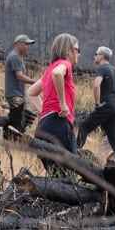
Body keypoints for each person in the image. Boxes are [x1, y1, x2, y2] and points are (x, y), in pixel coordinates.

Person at [31, 33, 79, 162]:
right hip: (60, 124)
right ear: (69, 51)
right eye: (77, 50)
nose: (78, 54)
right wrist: (62, 104)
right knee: (71, 171)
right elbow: (57, 74)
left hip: (43, 127)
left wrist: (45, 112)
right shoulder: (65, 64)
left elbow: (31, 92)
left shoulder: (49, 69)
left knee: (55, 177)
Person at [75, 45, 115, 156]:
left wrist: (97, 104)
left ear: (102, 56)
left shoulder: (101, 69)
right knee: (113, 137)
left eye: (96, 54)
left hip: (105, 105)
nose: (95, 56)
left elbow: (96, 85)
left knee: (84, 127)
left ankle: (74, 153)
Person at [3, 35, 36, 139]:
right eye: (26, 44)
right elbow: (19, 76)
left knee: (18, 120)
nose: (28, 47)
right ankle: (10, 141)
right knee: (15, 124)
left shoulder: (17, 57)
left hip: (16, 94)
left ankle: (9, 139)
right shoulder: (15, 57)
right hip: (15, 95)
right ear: (18, 44)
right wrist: (34, 82)